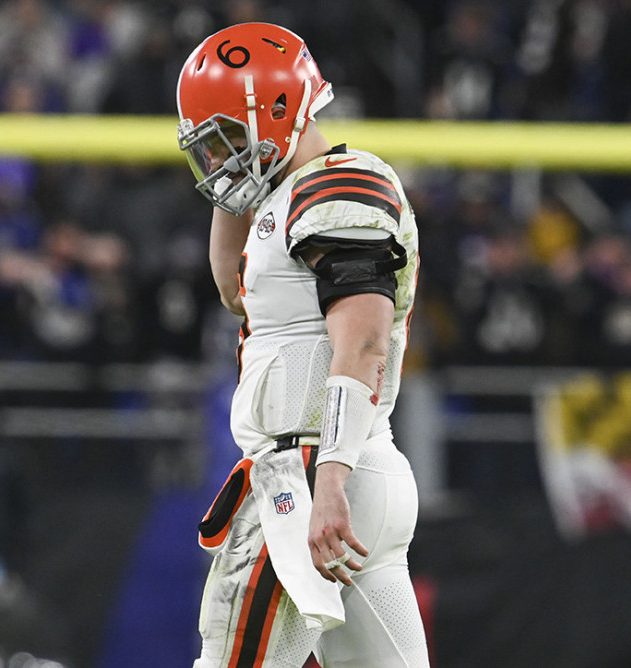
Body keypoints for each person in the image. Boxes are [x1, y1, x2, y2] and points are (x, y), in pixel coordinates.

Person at [176, 22, 430, 668]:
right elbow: (236, 287)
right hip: (353, 472)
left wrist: (330, 478)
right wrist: (234, 182)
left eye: (229, 138)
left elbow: (365, 341)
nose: (219, 161)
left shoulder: (339, 187)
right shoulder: (286, 198)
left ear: (280, 112)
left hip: (311, 475)